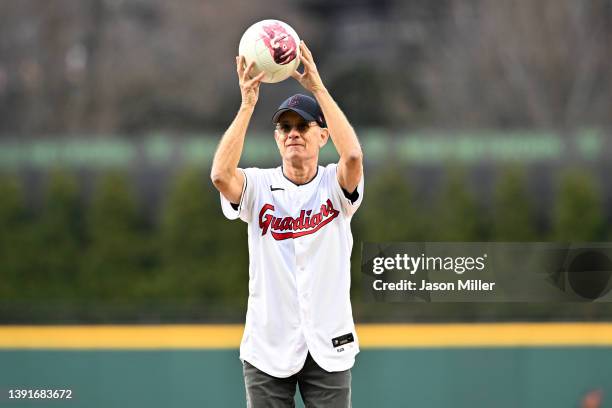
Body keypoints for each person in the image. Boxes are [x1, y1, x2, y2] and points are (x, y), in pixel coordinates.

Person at [211, 41, 364, 408]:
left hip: (329, 343)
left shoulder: (334, 185)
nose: (293, 132)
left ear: (322, 136)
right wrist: (248, 105)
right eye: (284, 126)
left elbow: (354, 155)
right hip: (268, 348)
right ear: (277, 138)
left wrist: (318, 88)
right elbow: (220, 175)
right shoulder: (258, 186)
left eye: (303, 125)